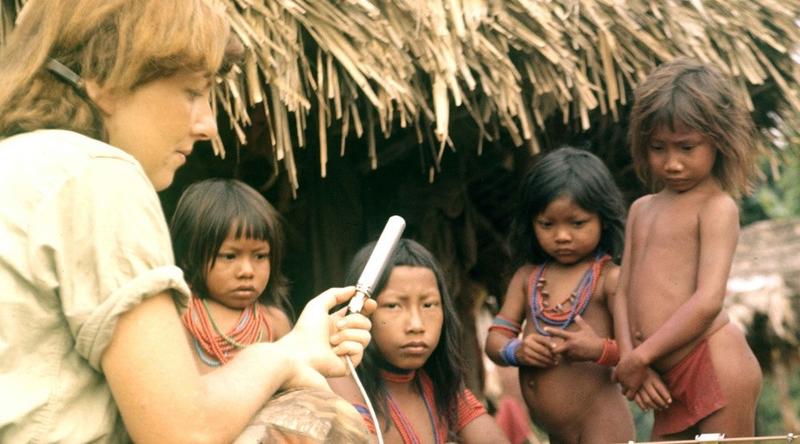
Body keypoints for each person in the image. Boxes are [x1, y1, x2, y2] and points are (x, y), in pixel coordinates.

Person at [0, 1, 373, 443]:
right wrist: (280, 357)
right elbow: (182, 432)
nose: (208, 124)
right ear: (103, 78)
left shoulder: (19, 165)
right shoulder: (98, 175)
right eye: (193, 92)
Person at [613, 57, 763, 440]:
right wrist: (633, 360)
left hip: (713, 361)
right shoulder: (641, 209)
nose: (672, 162)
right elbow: (623, 291)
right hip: (659, 375)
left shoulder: (716, 208)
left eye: (686, 147)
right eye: (658, 148)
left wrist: (641, 357)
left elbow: (708, 300)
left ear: (719, 141)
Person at [485, 147, 638, 443]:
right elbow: (495, 341)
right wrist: (517, 350)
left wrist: (597, 350)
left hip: (601, 426)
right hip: (555, 433)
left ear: (603, 219)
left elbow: (635, 353)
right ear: (531, 223)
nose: (562, 236)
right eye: (547, 224)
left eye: (577, 223)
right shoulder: (526, 278)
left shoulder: (609, 279)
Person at [328, 239, 510, 444]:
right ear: (361, 312)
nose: (416, 324)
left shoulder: (440, 385)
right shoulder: (338, 379)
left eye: (428, 304)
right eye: (394, 305)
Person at [170, 178, 293, 370]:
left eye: (260, 256)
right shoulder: (177, 315)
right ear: (190, 256)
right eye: (229, 256)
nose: (247, 271)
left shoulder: (274, 324)